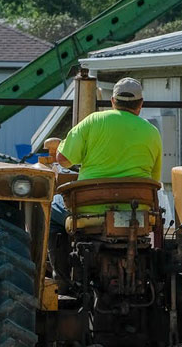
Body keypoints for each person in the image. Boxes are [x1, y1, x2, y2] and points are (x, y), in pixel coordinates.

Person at [48, 77, 162, 274]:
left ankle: (63, 276)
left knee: (50, 209)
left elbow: (63, 159)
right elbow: (153, 178)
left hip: (89, 209)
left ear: (113, 101)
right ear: (140, 105)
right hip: (136, 212)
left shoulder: (93, 121)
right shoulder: (152, 132)